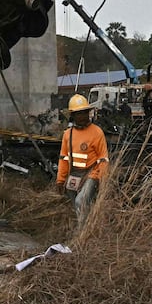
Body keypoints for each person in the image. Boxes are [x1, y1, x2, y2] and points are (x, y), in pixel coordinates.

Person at [56, 94, 109, 225]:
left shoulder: (97, 132)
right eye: (78, 113)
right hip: (75, 174)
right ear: (72, 116)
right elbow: (64, 159)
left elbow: (103, 159)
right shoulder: (68, 134)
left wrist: (103, 179)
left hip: (92, 174)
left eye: (84, 113)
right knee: (76, 204)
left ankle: (82, 235)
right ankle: (87, 224)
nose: (82, 116)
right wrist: (60, 180)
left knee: (81, 201)